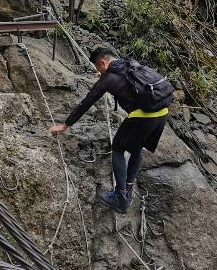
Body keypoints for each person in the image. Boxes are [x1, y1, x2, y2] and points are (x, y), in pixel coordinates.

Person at [49, 46, 173, 214]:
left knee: (118, 149)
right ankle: (127, 192)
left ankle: (120, 197)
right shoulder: (130, 64)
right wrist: (103, 76)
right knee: (136, 149)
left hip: (143, 116)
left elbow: (87, 102)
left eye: (98, 68)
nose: (99, 72)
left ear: (102, 62)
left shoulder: (108, 79)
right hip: (162, 112)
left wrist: (65, 125)